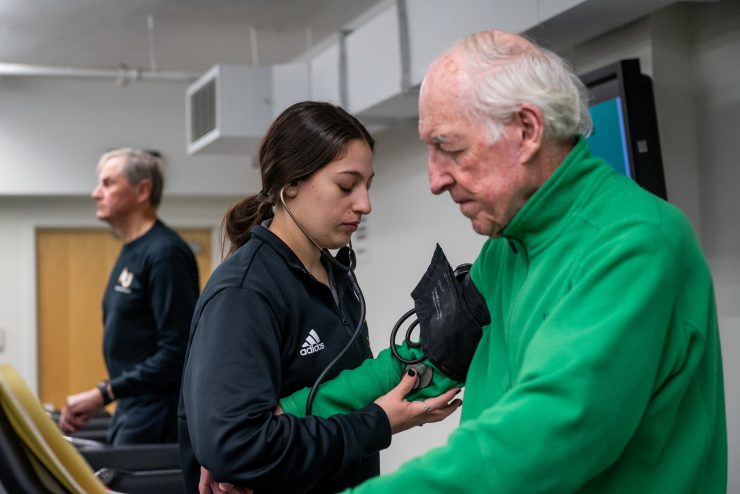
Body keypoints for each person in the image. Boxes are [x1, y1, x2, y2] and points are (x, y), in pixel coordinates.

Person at [342, 30, 727, 493]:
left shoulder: (634, 243)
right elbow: (426, 359)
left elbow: (542, 437)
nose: (435, 179)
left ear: (526, 131)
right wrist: (285, 417)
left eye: (451, 148)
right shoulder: (505, 250)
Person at [178, 101, 462, 494]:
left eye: (368, 186)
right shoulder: (244, 292)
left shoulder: (335, 274)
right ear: (290, 184)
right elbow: (234, 447)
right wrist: (378, 422)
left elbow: (340, 396)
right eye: (347, 186)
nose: (365, 204)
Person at [59, 148, 200, 445]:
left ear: (142, 190)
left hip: (158, 413)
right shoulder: (132, 250)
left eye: (108, 183)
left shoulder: (165, 254)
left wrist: (104, 392)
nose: (96, 193)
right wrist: (111, 393)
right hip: (131, 405)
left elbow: (176, 353)